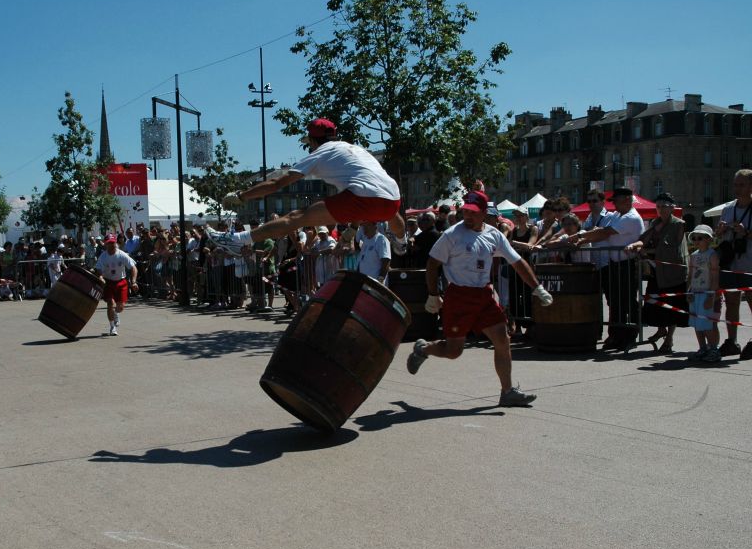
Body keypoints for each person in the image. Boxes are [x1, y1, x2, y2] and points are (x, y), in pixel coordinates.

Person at [405, 190, 554, 407]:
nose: (468, 215)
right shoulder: (452, 235)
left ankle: (508, 391)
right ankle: (423, 349)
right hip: (458, 296)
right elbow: (432, 264)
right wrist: (433, 295)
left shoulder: (494, 235)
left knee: (503, 340)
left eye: (473, 212)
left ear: (485, 213)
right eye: (466, 210)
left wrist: (537, 288)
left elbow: (518, 263)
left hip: (483, 295)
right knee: (454, 351)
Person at [205, 118, 405, 254]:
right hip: (392, 197)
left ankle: (237, 240)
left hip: (362, 197)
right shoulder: (354, 149)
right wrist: (353, 227)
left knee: (296, 217)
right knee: (391, 213)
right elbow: (372, 193)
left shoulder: (320, 153)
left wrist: (242, 195)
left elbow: (277, 183)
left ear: (311, 140)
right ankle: (402, 241)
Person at [567, 187, 645, 350]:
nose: (614, 204)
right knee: (616, 302)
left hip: (628, 264)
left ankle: (630, 335)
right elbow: (599, 231)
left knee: (627, 302)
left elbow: (605, 233)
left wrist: (580, 236)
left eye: (616, 200)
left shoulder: (631, 217)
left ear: (627, 200)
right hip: (615, 263)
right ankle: (616, 335)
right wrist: (582, 239)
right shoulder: (617, 215)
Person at [625, 192, 688, 353]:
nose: (660, 210)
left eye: (664, 207)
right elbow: (644, 238)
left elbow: (674, 250)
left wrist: (648, 250)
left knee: (673, 307)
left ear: (672, 208)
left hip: (673, 272)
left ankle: (669, 339)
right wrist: (635, 245)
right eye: (658, 207)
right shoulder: (655, 223)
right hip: (657, 271)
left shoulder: (678, 224)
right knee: (653, 302)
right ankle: (661, 330)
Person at [714, 168, 752, 359]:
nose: (737, 188)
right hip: (731, 262)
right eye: (735, 184)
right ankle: (732, 341)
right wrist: (720, 231)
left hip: (750, 262)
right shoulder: (729, 208)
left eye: (742, 184)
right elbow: (719, 236)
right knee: (731, 302)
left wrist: (746, 232)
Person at [686, 225, 722, 362]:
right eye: (694, 238)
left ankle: (714, 349)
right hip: (695, 292)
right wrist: (688, 290)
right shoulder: (693, 256)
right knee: (697, 323)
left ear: (708, 239)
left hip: (707, 293)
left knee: (708, 324)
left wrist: (711, 296)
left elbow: (715, 277)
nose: (696, 241)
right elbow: (690, 275)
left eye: (700, 238)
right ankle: (702, 348)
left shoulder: (712, 255)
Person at [93, 233, 139, 336]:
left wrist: (134, 282)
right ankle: (112, 327)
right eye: (109, 243)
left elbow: (133, 268)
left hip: (121, 282)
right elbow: (98, 269)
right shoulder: (103, 256)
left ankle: (116, 314)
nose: (111, 245)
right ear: (106, 244)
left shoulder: (122, 254)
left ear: (116, 243)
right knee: (110, 303)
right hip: (108, 282)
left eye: (113, 243)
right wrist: (100, 276)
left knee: (120, 307)